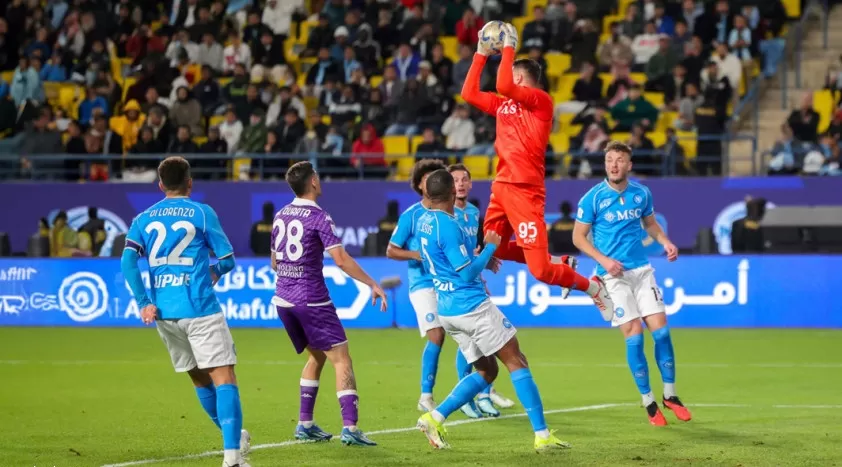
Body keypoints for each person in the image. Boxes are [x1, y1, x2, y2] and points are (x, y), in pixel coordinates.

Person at [460, 22, 613, 316]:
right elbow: (468, 93)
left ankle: (593, 287)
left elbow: (504, 86)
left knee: (541, 272)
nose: (505, 76)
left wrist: (508, 47)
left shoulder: (541, 102)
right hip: (501, 187)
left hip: (525, 190)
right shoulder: (503, 106)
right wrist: (480, 54)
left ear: (519, 77)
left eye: (510, 71)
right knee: (494, 247)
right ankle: (561, 261)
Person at [415, 169, 569, 451]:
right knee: (516, 360)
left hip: (447, 309)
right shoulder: (447, 225)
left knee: (487, 370)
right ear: (452, 192)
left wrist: (480, 258)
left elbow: (450, 261)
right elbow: (465, 273)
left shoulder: (423, 220)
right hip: (471, 306)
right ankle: (543, 435)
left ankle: (434, 417)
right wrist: (489, 249)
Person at [120, 156, 251, 467]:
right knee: (223, 376)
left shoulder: (143, 219)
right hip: (200, 307)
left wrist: (144, 301)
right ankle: (232, 459)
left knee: (198, 377)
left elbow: (127, 261)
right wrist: (215, 271)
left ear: (160, 185)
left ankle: (235, 438)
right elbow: (228, 260)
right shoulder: (202, 213)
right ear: (190, 183)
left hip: (165, 314)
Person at [571, 141, 691, 427]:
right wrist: (604, 260)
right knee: (635, 336)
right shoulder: (592, 198)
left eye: (619, 160)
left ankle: (670, 395)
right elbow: (578, 237)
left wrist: (665, 242)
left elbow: (650, 224)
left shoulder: (641, 193)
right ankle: (648, 401)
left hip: (642, 271)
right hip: (612, 277)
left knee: (662, 333)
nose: (614, 165)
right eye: (610, 160)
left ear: (629, 165)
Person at [275, 161, 387, 446]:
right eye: (318, 176)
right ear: (313, 181)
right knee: (342, 358)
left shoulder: (280, 215)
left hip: (283, 299)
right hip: (311, 300)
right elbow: (341, 260)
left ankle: (305, 424)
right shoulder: (319, 217)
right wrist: (372, 283)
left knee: (317, 356)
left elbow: (275, 262)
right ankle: (350, 427)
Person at [449, 163, 513, 418]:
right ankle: (467, 396)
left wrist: (486, 261)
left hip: (472, 280)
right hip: (455, 284)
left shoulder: (474, 212)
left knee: (482, 339)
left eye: (464, 179)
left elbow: (473, 249)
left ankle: (483, 395)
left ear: (471, 183)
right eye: (455, 180)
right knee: (469, 340)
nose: (460, 184)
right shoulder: (445, 215)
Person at [385, 159, 449, 413]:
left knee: (468, 333)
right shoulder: (411, 215)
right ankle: (426, 395)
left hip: (447, 282)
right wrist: (418, 255)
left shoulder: (448, 213)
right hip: (423, 284)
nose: (432, 182)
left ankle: (480, 391)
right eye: (426, 178)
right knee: (437, 334)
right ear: (420, 185)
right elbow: (391, 250)